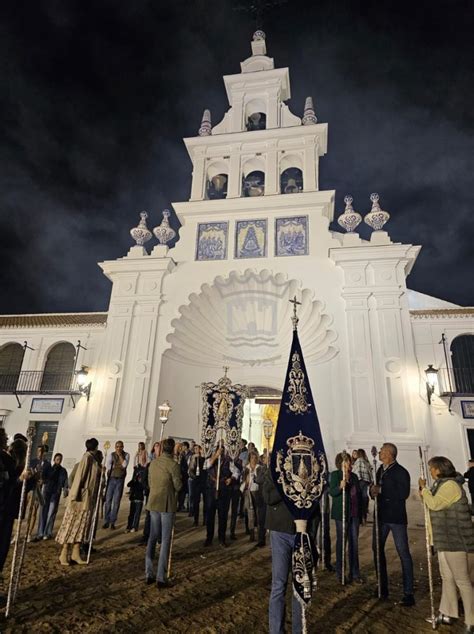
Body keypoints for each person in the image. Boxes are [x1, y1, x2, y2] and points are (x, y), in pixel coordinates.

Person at [419, 456, 474, 631]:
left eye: (431, 468)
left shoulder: (450, 485)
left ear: (440, 469)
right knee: (447, 578)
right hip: (445, 539)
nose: (430, 471)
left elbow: (435, 504)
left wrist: (424, 489)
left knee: (462, 581)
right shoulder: (441, 485)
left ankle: (472, 621)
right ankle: (447, 612)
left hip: (456, 540)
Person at [370, 442, 415, 606]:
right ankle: (382, 585)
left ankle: (408, 592)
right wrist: (371, 491)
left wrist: (381, 490)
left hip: (396, 518)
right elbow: (374, 489)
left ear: (389, 453)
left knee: (403, 553)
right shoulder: (380, 469)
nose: (380, 453)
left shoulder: (401, 472)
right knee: (377, 550)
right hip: (381, 516)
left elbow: (403, 493)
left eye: (382, 451)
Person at [262, 467, 302, 634]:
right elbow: (268, 497)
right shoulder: (274, 468)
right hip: (280, 531)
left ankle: (298, 630)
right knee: (279, 584)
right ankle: (276, 630)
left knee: (300, 586)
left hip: (302, 531)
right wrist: (289, 486)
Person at [56, 438, 102, 566]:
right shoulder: (87, 458)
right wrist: (74, 496)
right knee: (72, 525)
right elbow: (80, 477)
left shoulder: (93, 460)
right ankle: (64, 553)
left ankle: (76, 553)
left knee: (81, 527)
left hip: (87, 500)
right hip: (80, 499)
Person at [145, 437, 182, 587]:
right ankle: (161, 576)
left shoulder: (153, 463)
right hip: (166, 504)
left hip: (153, 503)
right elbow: (178, 486)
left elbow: (149, 482)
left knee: (152, 537)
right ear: (173, 449)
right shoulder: (174, 465)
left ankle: (148, 572)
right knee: (165, 540)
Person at [329, 452, 363, 583]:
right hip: (341, 513)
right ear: (341, 464)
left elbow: (358, 495)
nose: (349, 464)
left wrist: (361, 513)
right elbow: (332, 492)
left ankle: (354, 573)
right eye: (346, 462)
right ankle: (340, 572)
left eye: (349, 461)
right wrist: (340, 487)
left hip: (353, 514)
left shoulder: (354, 476)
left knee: (354, 543)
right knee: (341, 542)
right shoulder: (335, 475)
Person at [204, 445, 236, 547]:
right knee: (210, 515)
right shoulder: (209, 459)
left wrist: (231, 479)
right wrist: (215, 456)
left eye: (221, 451)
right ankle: (209, 538)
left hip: (224, 490)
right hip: (211, 490)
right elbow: (207, 466)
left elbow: (236, 472)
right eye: (219, 451)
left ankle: (222, 538)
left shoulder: (228, 461)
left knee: (223, 516)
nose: (220, 453)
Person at [36, 453, 69, 540]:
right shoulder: (49, 468)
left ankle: (48, 532)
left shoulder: (63, 470)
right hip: (47, 491)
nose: (59, 461)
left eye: (60, 459)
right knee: (43, 512)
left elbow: (65, 481)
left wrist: (65, 489)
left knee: (51, 513)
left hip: (55, 493)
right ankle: (40, 532)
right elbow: (43, 477)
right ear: (54, 459)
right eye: (57, 459)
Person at [103, 440, 130, 529]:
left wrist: (120, 456)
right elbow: (109, 465)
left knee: (116, 501)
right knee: (108, 501)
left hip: (120, 480)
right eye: (117, 446)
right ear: (115, 447)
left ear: (123, 447)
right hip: (111, 478)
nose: (119, 448)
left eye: (120, 446)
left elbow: (124, 465)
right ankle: (106, 520)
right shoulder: (111, 454)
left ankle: (112, 521)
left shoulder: (126, 455)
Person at [242, 451, 266, 546]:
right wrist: (245, 482)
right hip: (249, 492)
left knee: (259, 514)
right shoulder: (246, 468)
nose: (254, 459)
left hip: (258, 492)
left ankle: (260, 535)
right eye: (252, 457)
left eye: (255, 457)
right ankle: (251, 533)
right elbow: (243, 480)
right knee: (250, 513)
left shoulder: (260, 468)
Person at [352, 449, 372, 524]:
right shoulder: (366, 461)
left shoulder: (359, 461)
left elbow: (355, 472)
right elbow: (369, 471)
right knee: (364, 497)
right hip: (366, 481)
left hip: (359, 481)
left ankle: (360, 518)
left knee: (359, 498)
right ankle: (364, 517)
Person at [188, 444, 206, 527]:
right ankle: (196, 519)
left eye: (197, 448)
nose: (195, 450)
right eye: (194, 448)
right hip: (196, 481)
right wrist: (194, 477)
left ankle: (205, 519)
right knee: (196, 501)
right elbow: (190, 469)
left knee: (206, 502)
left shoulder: (204, 458)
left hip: (204, 482)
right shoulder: (193, 458)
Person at [126, 464, 146, 533]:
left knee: (137, 514)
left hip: (139, 499)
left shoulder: (142, 483)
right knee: (131, 514)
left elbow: (144, 488)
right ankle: (129, 526)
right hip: (134, 499)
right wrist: (134, 480)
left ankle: (135, 526)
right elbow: (128, 484)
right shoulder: (134, 482)